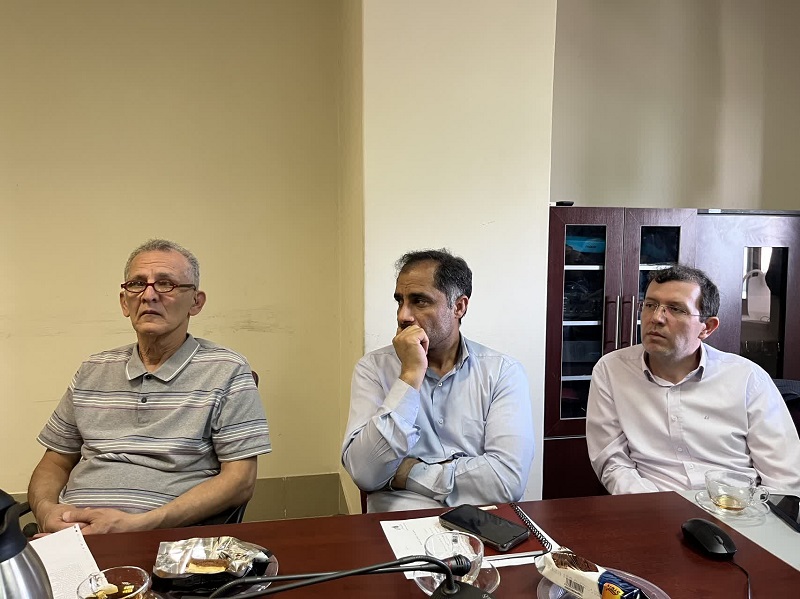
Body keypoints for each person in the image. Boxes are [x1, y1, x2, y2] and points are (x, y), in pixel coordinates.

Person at [28, 239, 271, 534]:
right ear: (124, 302)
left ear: (196, 302)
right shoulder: (93, 369)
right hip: (70, 534)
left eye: (166, 284)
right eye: (137, 284)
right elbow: (54, 462)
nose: (149, 295)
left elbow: (240, 480)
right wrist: (45, 511)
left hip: (163, 539)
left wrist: (139, 525)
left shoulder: (227, 369)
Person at [342, 249, 534, 512]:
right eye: (400, 301)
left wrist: (407, 473)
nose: (403, 315)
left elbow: (507, 481)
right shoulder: (374, 369)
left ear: (459, 307)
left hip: (480, 523)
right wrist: (410, 376)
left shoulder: (502, 372)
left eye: (419, 301)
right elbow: (365, 473)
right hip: (398, 524)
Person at [587, 264, 800, 495]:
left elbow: (784, 477)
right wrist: (651, 507)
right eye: (650, 305)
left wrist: (754, 514)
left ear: (707, 327)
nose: (656, 318)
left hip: (737, 506)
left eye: (676, 309)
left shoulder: (748, 378)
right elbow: (613, 462)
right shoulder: (612, 370)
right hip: (653, 505)